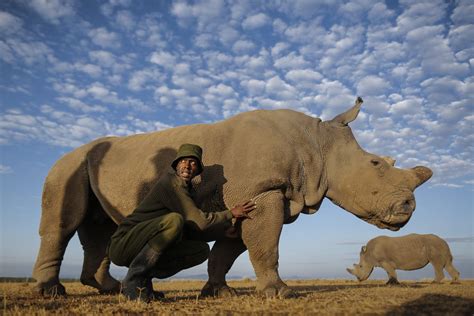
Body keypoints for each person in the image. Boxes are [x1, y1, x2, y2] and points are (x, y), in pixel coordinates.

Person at [108, 143, 256, 301]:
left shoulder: (188, 191)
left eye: (193, 163)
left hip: (141, 245)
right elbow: (199, 221)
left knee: (200, 250)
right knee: (174, 221)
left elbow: (192, 229)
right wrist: (231, 213)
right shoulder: (171, 182)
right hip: (122, 244)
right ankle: (132, 282)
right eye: (183, 161)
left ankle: (143, 284)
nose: (187, 165)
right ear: (177, 165)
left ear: (197, 170)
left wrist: (221, 231)